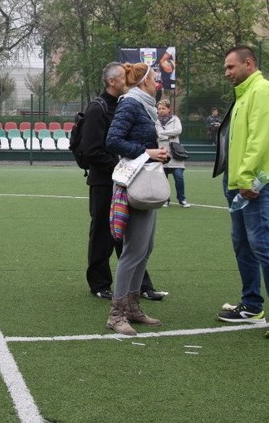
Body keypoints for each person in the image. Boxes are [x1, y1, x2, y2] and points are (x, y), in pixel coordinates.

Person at [214, 46, 269, 338]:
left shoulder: (261, 91)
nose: (227, 73)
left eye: (231, 67)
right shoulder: (245, 94)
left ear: (249, 63)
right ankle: (251, 305)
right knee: (243, 244)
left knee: (261, 244)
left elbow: (259, 140)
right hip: (238, 183)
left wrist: (246, 177)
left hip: (253, 184)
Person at [80, 62, 164, 301]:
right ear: (112, 82)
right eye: (123, 78)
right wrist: (124, 164)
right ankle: (99, 283)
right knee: (103, 232)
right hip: (105, 180)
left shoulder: (128, 104)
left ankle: (142, 286)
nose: (127, 82)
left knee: (132, 234)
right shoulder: (99, 108)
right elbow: (93, 148)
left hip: (126, 176)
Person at [104, 62, 170, 336]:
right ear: (144, 81)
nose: (158, 84)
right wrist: (148, 152)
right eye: (155, 79)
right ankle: (116, 314)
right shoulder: (131, 104)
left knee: (146, 247)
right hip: (136, 183)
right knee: (133, 251)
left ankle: (131, 306)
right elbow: (113, 141)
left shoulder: (145, 106)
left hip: (147, 183)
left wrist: (156, 152)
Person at [156, 99, 190, 208]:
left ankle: (182, 199)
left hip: (175, 154)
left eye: (163, 108)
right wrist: (169, 135)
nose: (161, 110)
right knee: (163, 179)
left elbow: (178, 130)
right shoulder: (155, 121)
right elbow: (156, 134)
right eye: (159, 109)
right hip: (162, 153)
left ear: (169, 109)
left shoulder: (175, 119)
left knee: (179, 177)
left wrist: (163, 134)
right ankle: (166, 200)